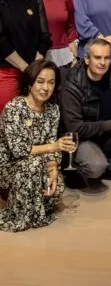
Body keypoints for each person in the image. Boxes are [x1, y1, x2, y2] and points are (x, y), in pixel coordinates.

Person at [0, 60, 73, 232]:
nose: (45, 88)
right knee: (31, 165)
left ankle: (26, 200)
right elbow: (19, 150)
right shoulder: (14, 108)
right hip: (9, 166)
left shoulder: (53, 110)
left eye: (51, 82)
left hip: (39, 163)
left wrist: (53, 170)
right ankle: (16, 205)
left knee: (57, 187)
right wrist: (54, 147)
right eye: (40, 81)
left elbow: (51, 141)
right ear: (30, 82)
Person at [60, 38, 111, 187]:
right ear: (87, 59)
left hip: (106, 134)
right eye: (97, 58)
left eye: (106, 58)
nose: (103, 63)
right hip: (81, 140)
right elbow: (75, 128)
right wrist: (110, 124)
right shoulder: (73, 83)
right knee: (96, 167)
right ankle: (74, 170)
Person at [0, 0, 52, 112]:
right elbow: (1, 41)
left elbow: (45, 35)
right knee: (9, 119)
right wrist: (27, 69)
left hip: (36, 72)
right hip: (7, 73)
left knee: (34, 118)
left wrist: (36, 66)